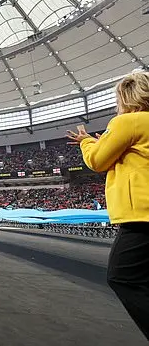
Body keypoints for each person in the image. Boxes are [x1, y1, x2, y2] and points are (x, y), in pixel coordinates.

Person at [67, 72, 149, 341]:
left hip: (141, 215)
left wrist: (87, 141)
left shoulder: (128, 121)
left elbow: (97, 161)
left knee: (122, 276)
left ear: (126, 97)